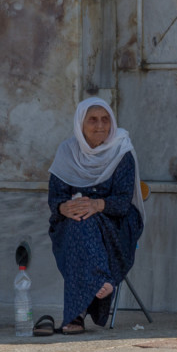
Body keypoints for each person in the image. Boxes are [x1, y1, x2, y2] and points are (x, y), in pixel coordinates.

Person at [45, 98, 145, 335]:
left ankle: (76, 316)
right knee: (80, 222)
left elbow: (122, 202)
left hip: (116, 222)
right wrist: (63, 208)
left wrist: (96, 204)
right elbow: (55, 198)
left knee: (84, 223)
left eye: (105, 119)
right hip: (74, 222)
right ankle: (101, 280)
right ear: (80, 123)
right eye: (93, 119)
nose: (100, 125)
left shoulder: (122, 151)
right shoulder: (67, 151)